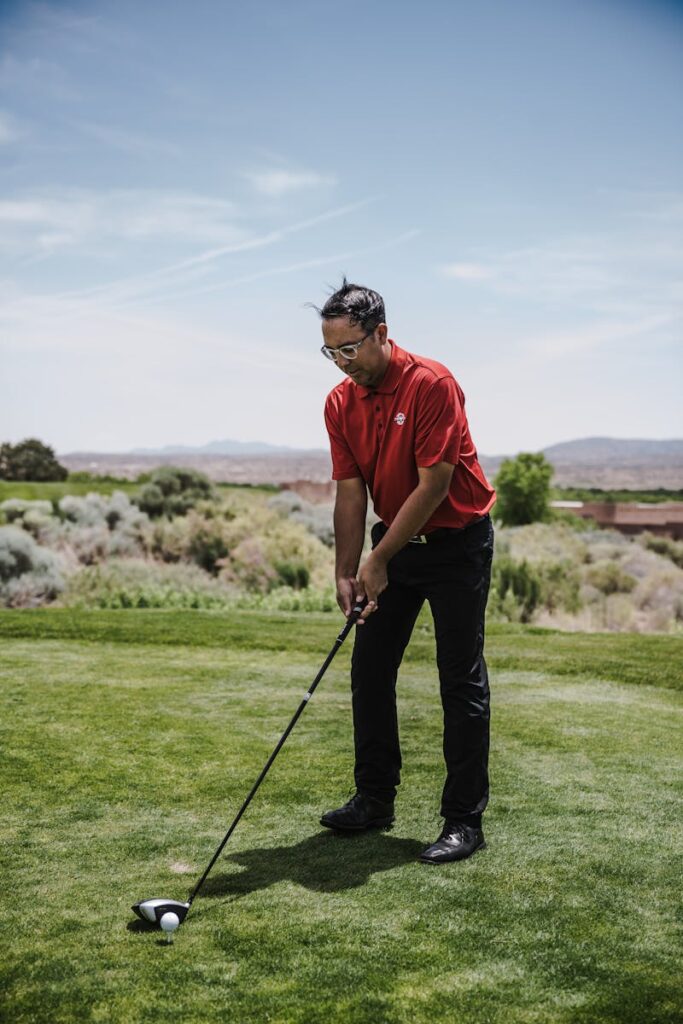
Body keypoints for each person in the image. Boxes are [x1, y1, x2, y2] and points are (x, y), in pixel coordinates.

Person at [313, 279, 496, 864]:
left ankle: (464, 820)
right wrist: (347, 571)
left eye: (350, 349)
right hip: (393, 543)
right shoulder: (340, 402)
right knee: (369, 670)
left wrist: (378, 560)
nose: (342, 364)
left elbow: (434, 484)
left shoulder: (431, 384)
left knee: (458, 678)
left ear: (381, 334)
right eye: (330, 352)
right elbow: (350, 491)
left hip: (456, 544)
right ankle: (374, 799)